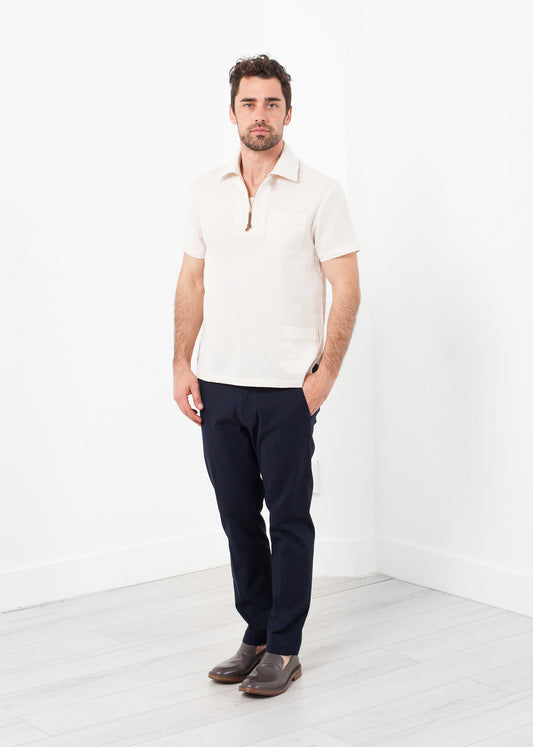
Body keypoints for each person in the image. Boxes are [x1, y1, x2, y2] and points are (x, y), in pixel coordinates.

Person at [173, 54, 361, 697]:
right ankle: (255, 632)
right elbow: (191, 281)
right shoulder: (205, 190)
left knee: (288, 518)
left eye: (271, 104)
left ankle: (285, 646)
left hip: (287, 388)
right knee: (236, 516)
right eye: (249, 104)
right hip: (218, 382)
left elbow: (346, 288)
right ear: (232, 113)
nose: (260, 115)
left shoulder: (321, 192)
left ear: (288, 112)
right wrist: (182, 363)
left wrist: (323, 376)